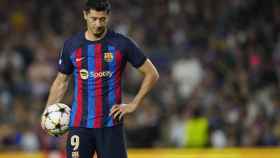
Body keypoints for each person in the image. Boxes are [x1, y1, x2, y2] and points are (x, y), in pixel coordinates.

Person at [42, 0, 159, 158]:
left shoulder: (122, 44)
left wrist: (134, 104)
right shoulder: (72, 45)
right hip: (80, 126)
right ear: (85, 15)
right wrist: (47, 112)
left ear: (108, 17)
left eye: (102, 19)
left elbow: (152, 73)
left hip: (110, 126)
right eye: (93, 19)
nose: (98, 24)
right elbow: (61, 81)